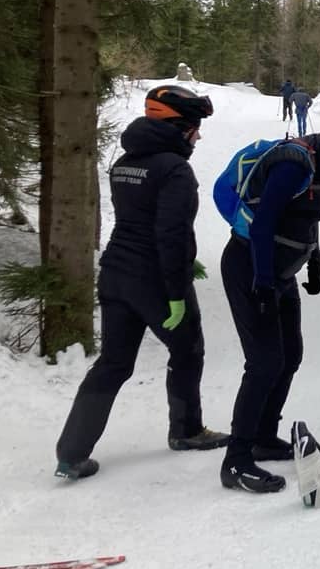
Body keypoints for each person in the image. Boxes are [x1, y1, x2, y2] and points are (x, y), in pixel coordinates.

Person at [55, 84, 226, 480]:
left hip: (115, 273)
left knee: (113, 362)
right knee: (188, 349)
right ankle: (186, 431)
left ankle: (71, 453)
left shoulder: (125, 161)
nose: (198, 136)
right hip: (155, 278)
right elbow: (171, 234)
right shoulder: (175, 170)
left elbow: (138, 222)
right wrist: (177, 289)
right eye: (195, 128)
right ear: (180, 128)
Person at [219, 108, 320, 493]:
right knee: (264, 362)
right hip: (250, 267)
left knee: (290, 355)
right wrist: (261, 281)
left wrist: (315, 263)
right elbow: (263, 224)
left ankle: (262, 435)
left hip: (281, 273)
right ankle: (236, 460)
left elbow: (307, 219)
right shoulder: (294, 164)